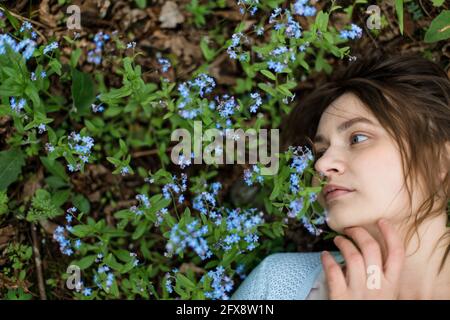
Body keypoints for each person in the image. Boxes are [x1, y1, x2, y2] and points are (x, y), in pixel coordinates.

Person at [231, 53, 450, 300]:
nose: (322, 164)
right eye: (321, 151)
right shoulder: (279, 282)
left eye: (357, 138)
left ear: (441, 159)